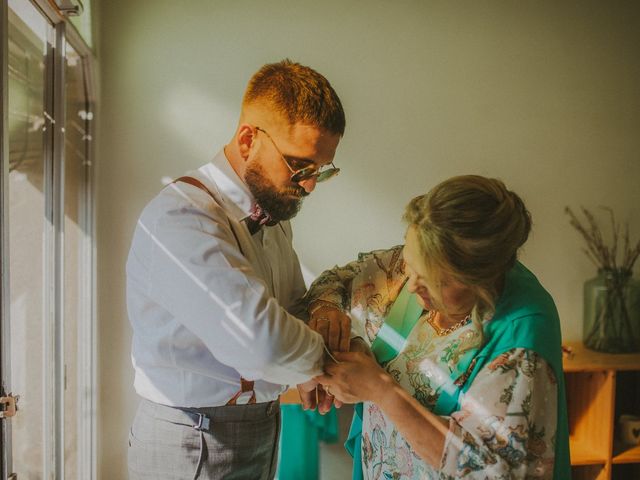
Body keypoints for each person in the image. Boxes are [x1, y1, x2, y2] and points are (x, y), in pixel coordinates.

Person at [126, 59, 350, 480]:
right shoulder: (182, 218)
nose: (309, 185)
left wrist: (316, 327)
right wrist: (325, 360)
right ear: (248, 140)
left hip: (260, 425)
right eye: (300, 165)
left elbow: (288, 309)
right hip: (193, 441)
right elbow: (263, 344)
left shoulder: (274, 216)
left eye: (321, 170)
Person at [307, 175, 570, 479]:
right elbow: (334, 284)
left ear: (479, 279)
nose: (412, 284)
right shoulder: (418, 262)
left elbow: (495, 469)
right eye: (409, 262)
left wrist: (381, 390)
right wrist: (336, 331)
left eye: (434, 280)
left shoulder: (522, 335)